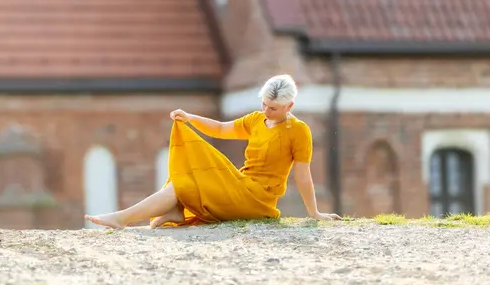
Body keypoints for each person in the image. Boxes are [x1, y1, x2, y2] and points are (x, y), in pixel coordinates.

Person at [85, 74, 341, 229]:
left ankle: (123, 218)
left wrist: (314, 213)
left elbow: (303, 176)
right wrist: (190, 118)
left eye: (273, 108)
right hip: (241, 184)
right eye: (264, 104)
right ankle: (156, 212)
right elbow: (220, 128)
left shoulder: (299, 131)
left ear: (289, 106)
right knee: (185, 177)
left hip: (259, 199)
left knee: (192, 174)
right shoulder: (255, 120)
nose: (266, 111)